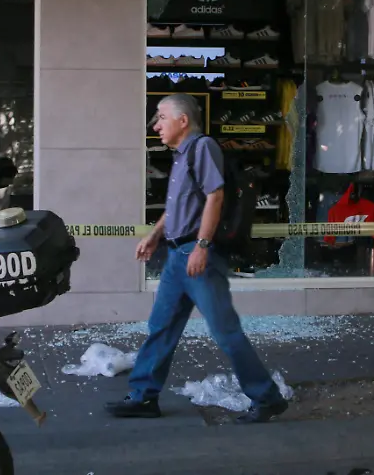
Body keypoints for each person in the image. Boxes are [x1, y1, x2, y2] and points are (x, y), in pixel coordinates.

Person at [105, 93, 288, 424]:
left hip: (196, 255)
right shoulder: (181, 156)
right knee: (161, 327)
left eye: (161, 117)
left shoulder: (202, 148)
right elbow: (177, 208)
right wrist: (155, 234)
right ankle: (144, 396)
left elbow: (215, 196)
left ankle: (267, 397)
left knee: (225, 332)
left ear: (183, 120)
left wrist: (202, 246)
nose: (156, 125)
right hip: (177, 256)